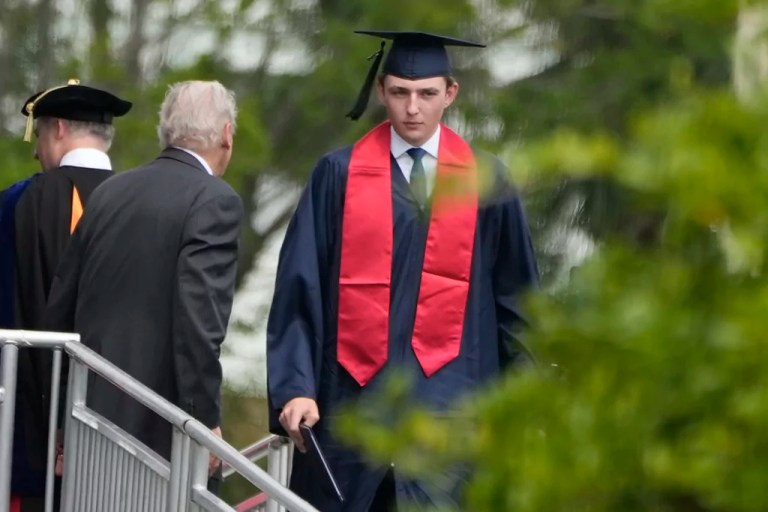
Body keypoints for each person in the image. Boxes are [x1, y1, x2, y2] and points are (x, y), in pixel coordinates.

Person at [267, 31, 539, 511]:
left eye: (427, 94)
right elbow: (299, 287)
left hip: (454, 417)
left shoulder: (487, 182)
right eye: (400, 93)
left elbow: (517, 303)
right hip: (350, 411)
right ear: (382, 92)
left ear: (450, 94)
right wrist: (295, 388)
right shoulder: (337, 175)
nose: (413, 108)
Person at [45, 80, 243, 489]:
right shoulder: (215, 200)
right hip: (161, 435)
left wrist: (62, 416)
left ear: (165, 129)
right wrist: (203, 421)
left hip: (91, 421)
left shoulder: (110, 191)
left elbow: (61, 311)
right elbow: (198, 325)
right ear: (227, 134)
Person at [0, 79, 131, 512]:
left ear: (56, 129)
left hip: (29, 440)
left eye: (38, 135)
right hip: (121, 437)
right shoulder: (142, 204)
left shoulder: (18, 202)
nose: (37, 152)